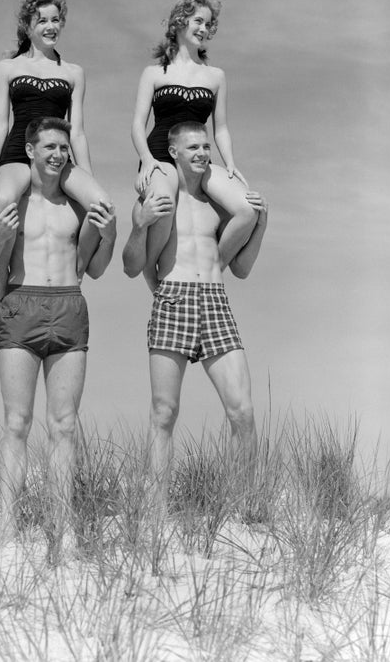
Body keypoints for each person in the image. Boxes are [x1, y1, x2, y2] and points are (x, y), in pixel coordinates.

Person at [0, 116, 116, 551]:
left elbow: (95, 268)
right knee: (17, 422)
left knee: (64, 425)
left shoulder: (76, 207)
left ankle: (63, 524)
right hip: (21, 303)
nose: (57, 154)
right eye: (49, 146)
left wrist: (105, 236)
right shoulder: (7, 202)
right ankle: (5, 523)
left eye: (63, 148)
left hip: (69, 306)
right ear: (30, 150)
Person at [122, 119, 269, 515]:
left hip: (215, 301)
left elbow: (241, 269)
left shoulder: (219, 204)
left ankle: (242, 507)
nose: (204, 154)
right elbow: (132, 265)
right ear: (173, 153)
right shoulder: (158, 199)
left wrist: (261, 222)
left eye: (206, 147)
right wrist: (139, 225)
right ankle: (155, 512)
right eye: (194, 148)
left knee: (243, 411)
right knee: (164, 413)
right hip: (173, 299)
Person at [131, 0, 257, 289]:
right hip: (161, 152)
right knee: (163, 205)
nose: (204, 29)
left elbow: (221, 128)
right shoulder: (153, 73)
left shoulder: (216, 76)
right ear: (179, 22)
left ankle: (214, 268)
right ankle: (154, 277)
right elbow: (137, 124)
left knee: (247, 209)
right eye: (198, 21)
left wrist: (230, 164)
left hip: (198, 156)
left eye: (208, 24)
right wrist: (147, 161)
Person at [0, 0, 111, 225]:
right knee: (3, 201)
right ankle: (2, 264)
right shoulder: (7, 68)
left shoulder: (74, 73)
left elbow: (77, 132)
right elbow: (0, 122)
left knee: (101, 205)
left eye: (55, 20)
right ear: (28, 27)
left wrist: (87, 175)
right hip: (17, 155)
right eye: (42, 21)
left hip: (57, 156)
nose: (51, 26)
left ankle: (80, 263)